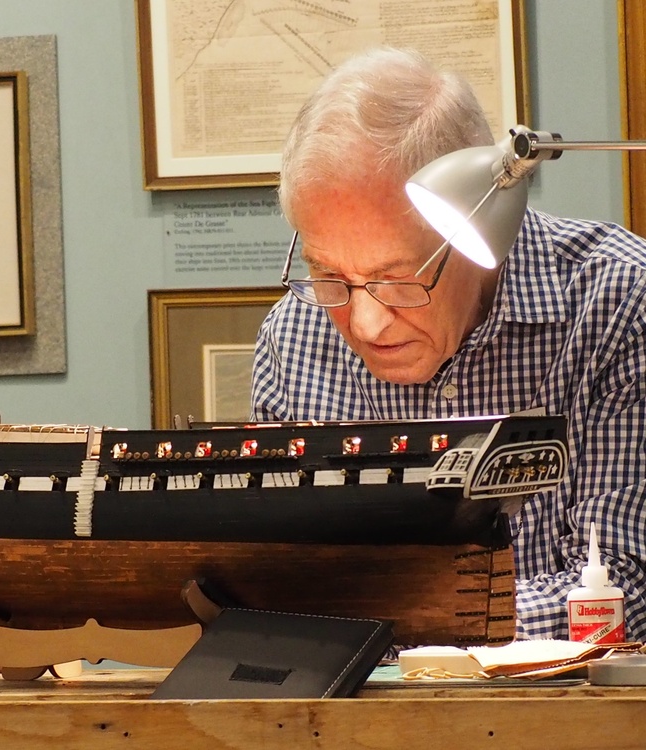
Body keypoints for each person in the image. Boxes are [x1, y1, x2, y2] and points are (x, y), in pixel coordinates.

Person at [251, 46, 646, 642]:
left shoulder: (617, 301)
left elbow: (624, 589)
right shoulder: (293, 336)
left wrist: (393, 614)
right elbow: (282, 580)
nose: (366, 324)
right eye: (330, 276)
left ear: (483, 226)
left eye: (397, 279)